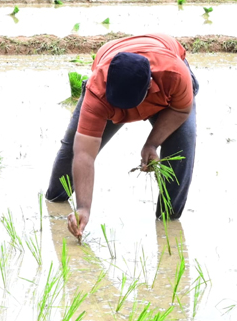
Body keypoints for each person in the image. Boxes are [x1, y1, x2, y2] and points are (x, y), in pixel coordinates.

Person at [45, 32, 198, 238]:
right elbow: (84, 154)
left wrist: (152, 144)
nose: (125, 116)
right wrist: (84, 208)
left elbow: (181, 111)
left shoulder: (175, 75)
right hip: (110, 84)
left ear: (149, 88)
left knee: (180, 155)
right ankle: (55, 200)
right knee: (71, 150)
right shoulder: (97, 91)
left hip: (168, 92)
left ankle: (168, 224)